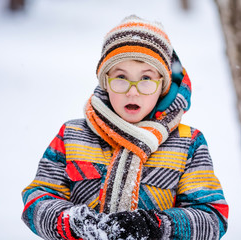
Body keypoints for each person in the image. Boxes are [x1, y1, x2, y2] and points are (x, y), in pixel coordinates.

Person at [21, 15, 228, 240]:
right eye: (121, 77)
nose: (132, 91)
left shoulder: (188, 143)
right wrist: (76, 223)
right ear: (106, 82)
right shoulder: (72, 136)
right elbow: (38, 199)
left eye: (146, 78)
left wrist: (156, 226)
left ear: (162, 86)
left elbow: (212, 218)